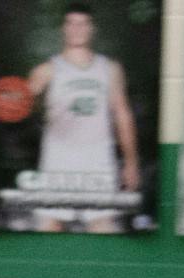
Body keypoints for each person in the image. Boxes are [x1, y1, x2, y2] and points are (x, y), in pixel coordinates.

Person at [26, 3, 140, 233]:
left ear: (92, 29)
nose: (77, 29)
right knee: (50, 228)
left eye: (82, 23)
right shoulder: (46, 70)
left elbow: (122, 115)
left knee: (103, 228)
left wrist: (131, 162)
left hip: (97, 157)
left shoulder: (109, 69)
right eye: (71, 23)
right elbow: (22, 109)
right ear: (64, 29)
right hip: (59, 156)